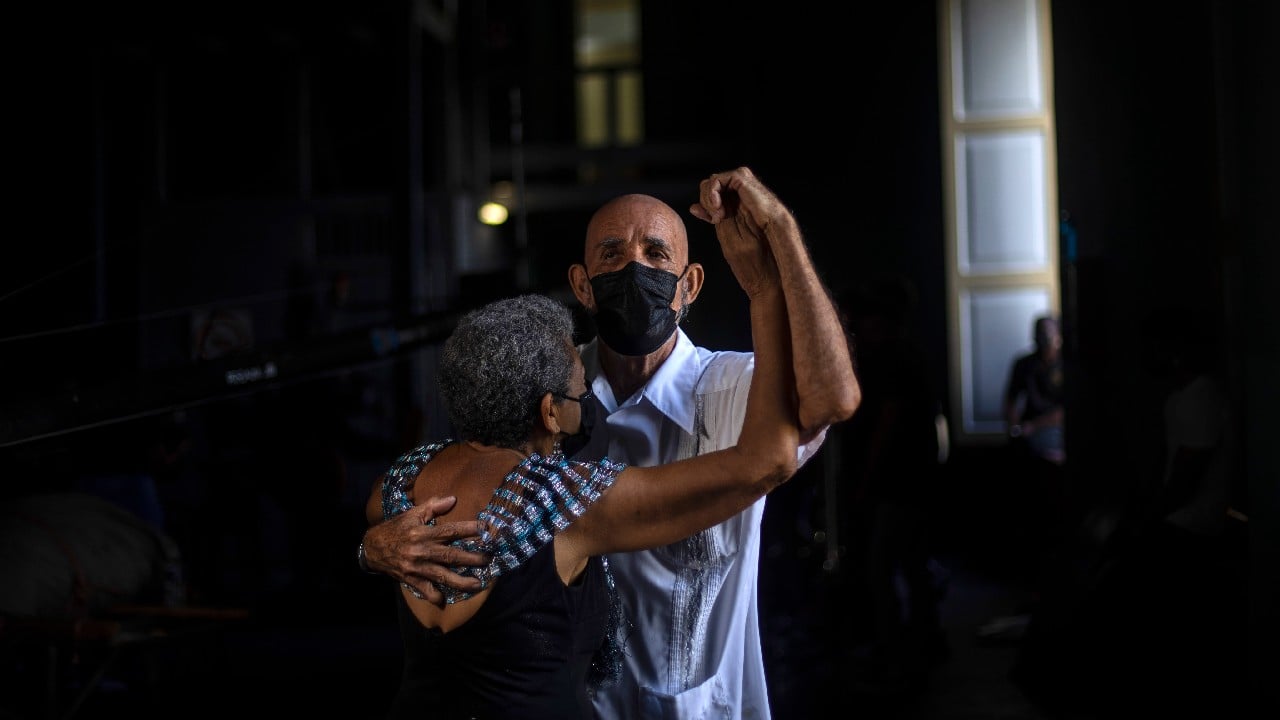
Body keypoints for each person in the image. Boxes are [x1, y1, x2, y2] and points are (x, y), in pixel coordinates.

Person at [361, 167, 861, 718]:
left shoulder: (734, 388)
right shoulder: (548, 389)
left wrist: (783, 240)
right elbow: (467, 481)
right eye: (612, 254)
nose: (634, 268)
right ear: (582, 285)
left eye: (655, 253)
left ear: (689, 284)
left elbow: (832, 401)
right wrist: (375, 548)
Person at [379, 281, 803, 718]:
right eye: (582, 391)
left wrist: (368, 550)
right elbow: (769, 462)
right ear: (549, 412)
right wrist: (766, 294)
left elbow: (368, 529)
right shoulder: (570, 505)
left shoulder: (404, 483)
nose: (588, 401)